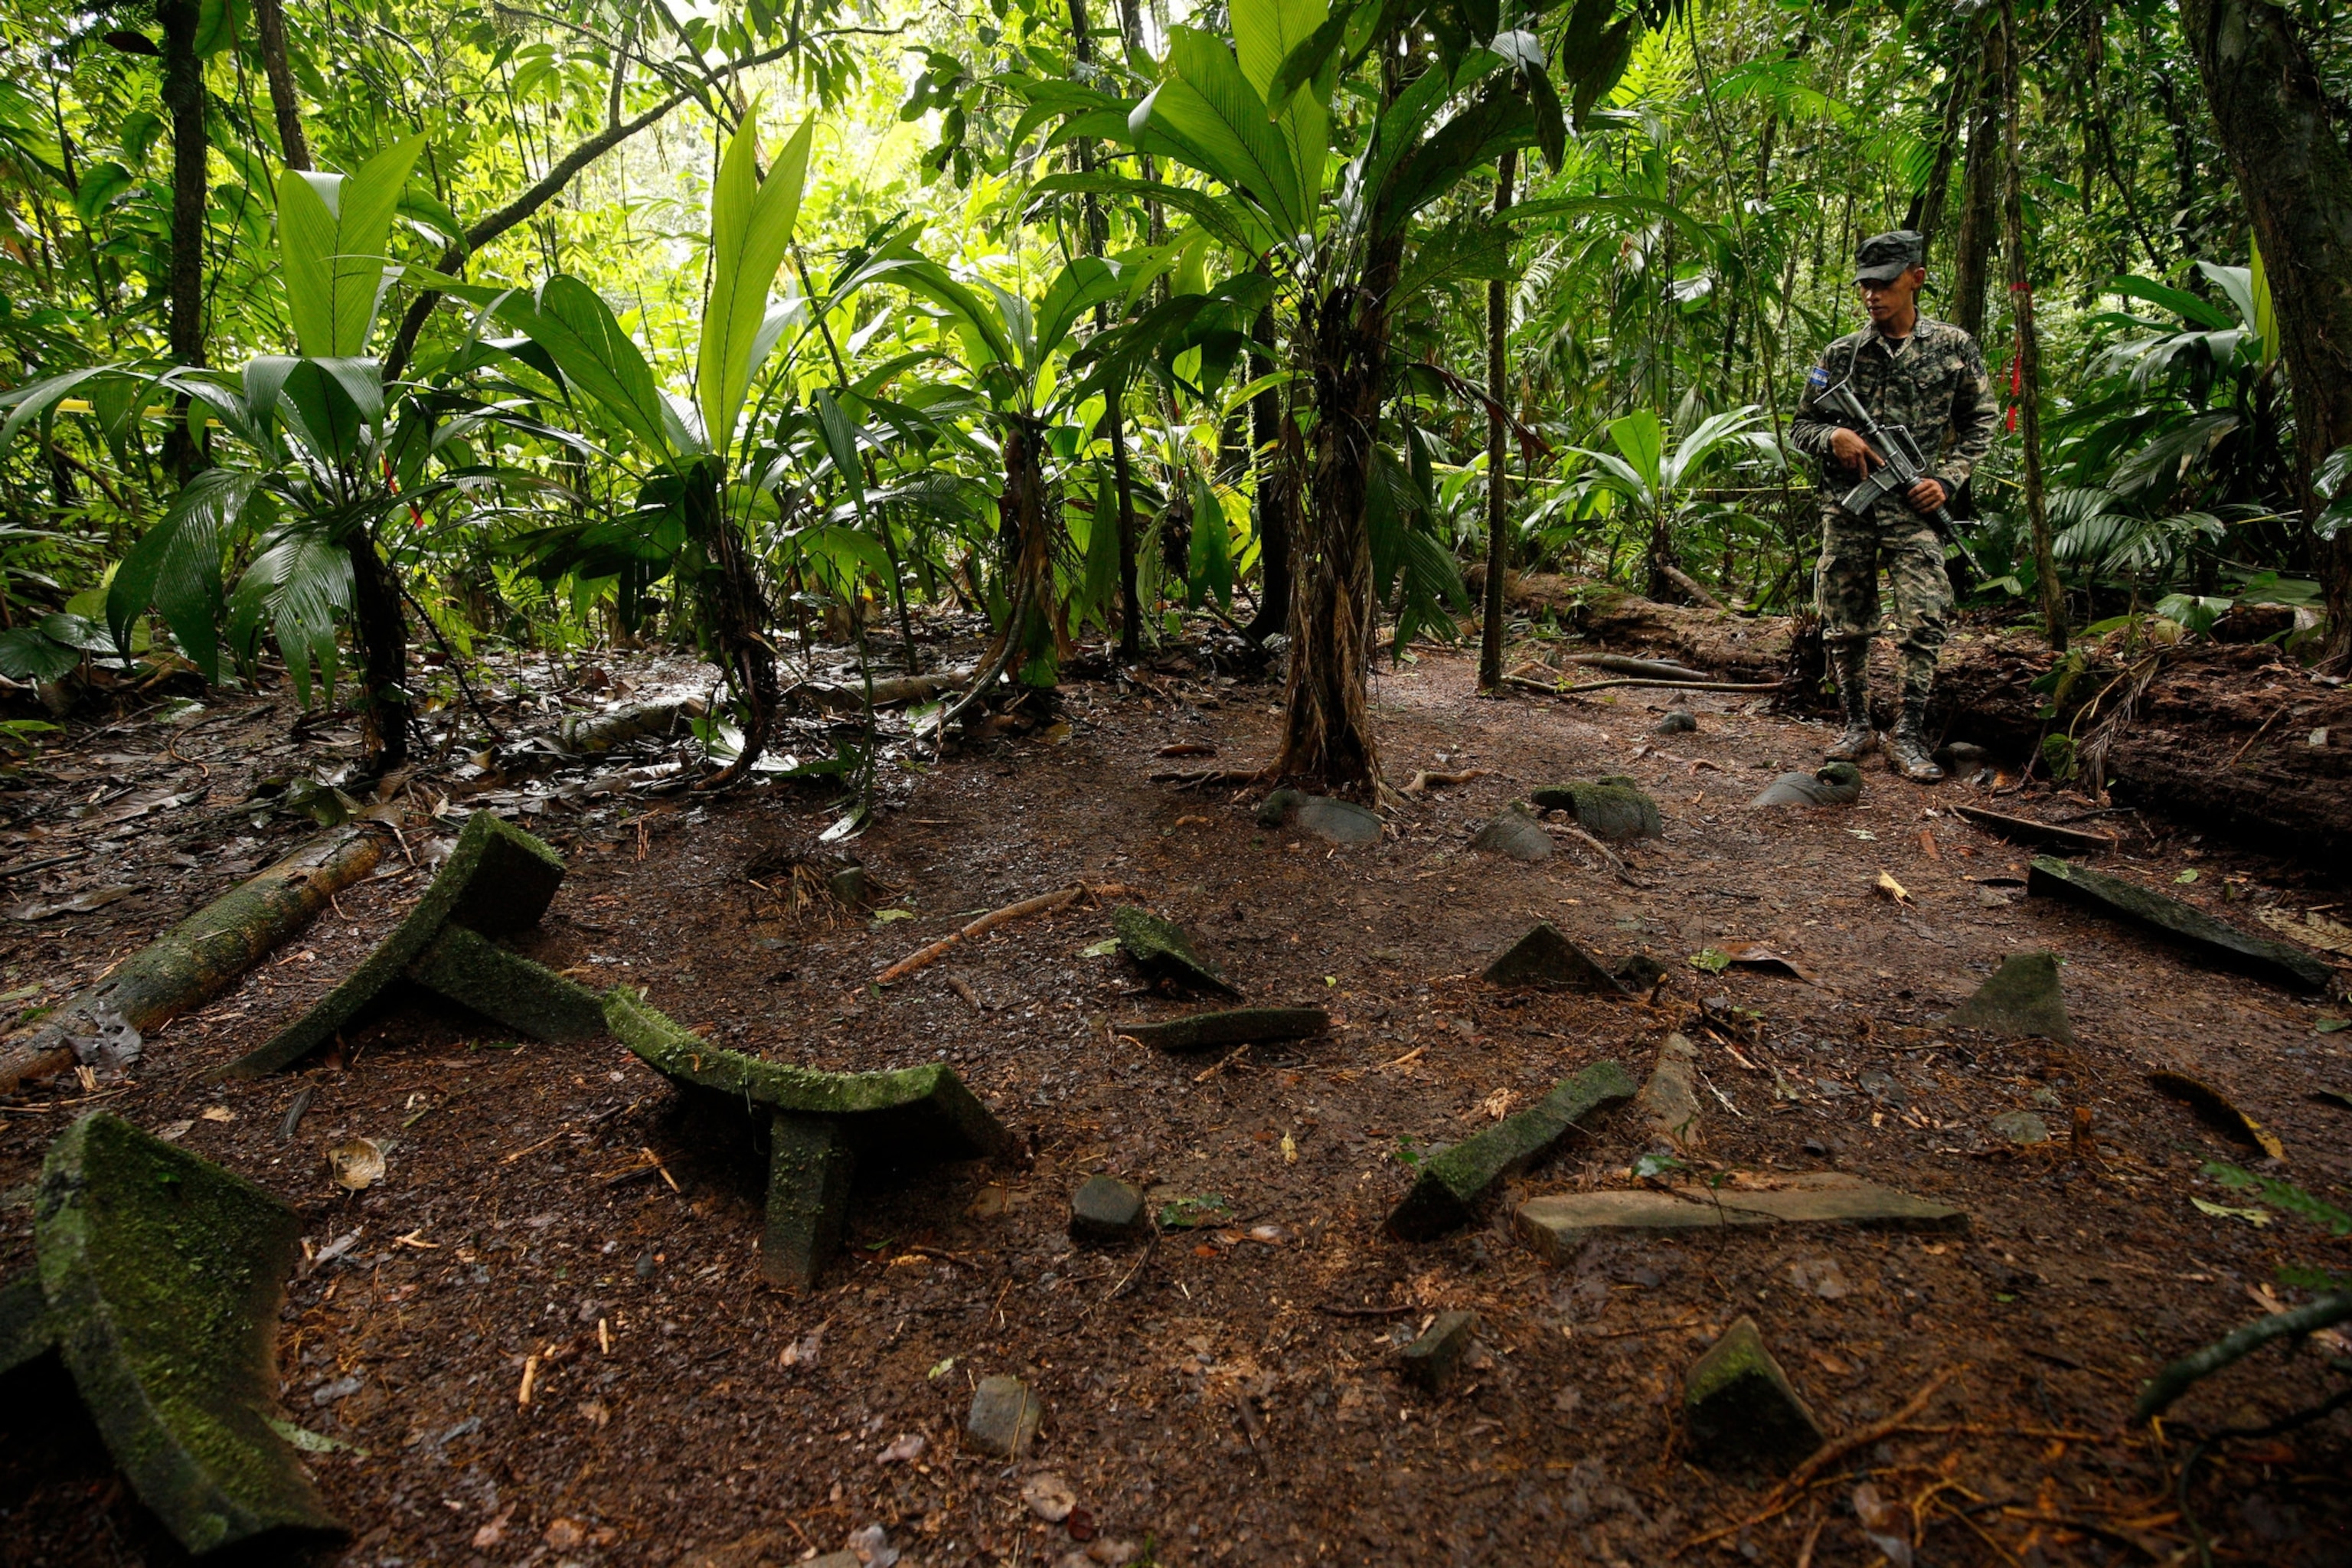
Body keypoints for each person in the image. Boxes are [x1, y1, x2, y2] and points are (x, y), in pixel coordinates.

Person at [1789, 230, 1994, 782]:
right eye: (1864, 286)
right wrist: (1834, 437)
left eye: (1883, 284)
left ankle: (1908, 735)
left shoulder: (1954, 347)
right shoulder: (1840, 355)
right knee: (1844, 621)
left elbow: (1982, 422)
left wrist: (1947, 481)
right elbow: (1800, 425)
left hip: (1913, 504)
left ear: (1916, 279)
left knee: (1925, 617)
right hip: (1850, 506)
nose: (1872, 296)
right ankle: (1856, 725)